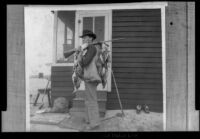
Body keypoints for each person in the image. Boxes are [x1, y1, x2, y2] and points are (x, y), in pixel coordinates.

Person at [76, 30, 103, 130]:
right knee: (88, 100)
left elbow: (85, 62)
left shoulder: (91, 47)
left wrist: (79, 54)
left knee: (91, 100)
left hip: (91, 77)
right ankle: (88, 120)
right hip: (89, 77)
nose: (83, 39)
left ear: (90, 38)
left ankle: (94, 123)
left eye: (85, 37)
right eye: (83, 37)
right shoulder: (90, 48)